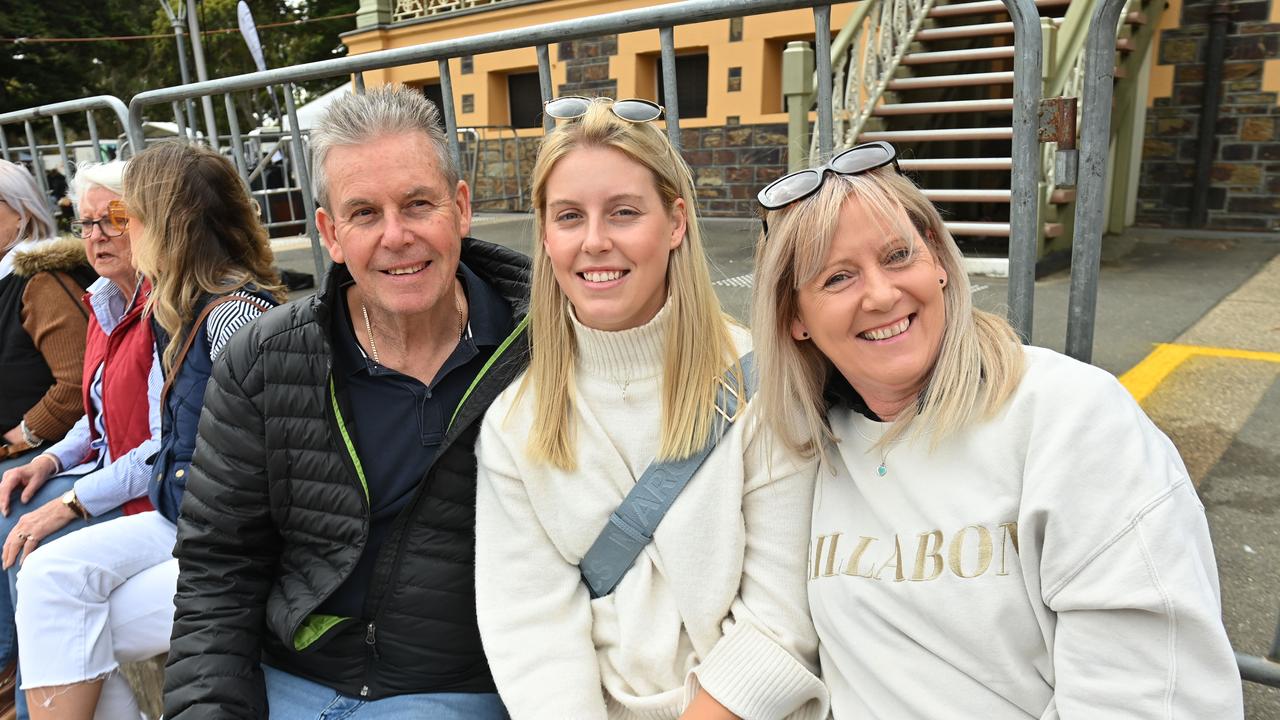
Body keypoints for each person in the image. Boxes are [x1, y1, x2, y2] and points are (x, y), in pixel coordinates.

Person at [749, 141, 1245, 719]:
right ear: (795, 318)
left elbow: (1148, 695)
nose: (882, 295)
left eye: (898, 255)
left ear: (936, 261)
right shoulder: (800, 442)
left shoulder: (1069, 418)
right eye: (837, 278)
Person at [162, 85, 531, 719]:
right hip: (290, 677)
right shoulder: (263, 362)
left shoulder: (546, 350)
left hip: (458, 687)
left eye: (419, 204)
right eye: (364, 213)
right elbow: (219, 565)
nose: (396, 236)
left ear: (461, 210)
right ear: (331, 234)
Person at [473, 97, 827, 720]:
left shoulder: (764, 386)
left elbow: (781, 617)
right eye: (569, 217)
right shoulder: (513, 424)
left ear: (676, 223)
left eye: (625, 213)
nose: (595, 242)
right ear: (547, 238)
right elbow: (532, 634)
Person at [14, 141, 284, 720]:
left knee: (66, 624)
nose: (114, 233)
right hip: (181, 513)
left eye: (123, 217)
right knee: (46, 580)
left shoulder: (237, 315)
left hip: (233, 539)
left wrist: (75, 501)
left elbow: (274, 459)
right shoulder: (177, 310)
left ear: (168, 225)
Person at [0, 160, 159, 719]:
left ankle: (18, 697)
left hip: (151, 493)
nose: (97, 234)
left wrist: (63, 493)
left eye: (114, 218)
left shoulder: (166, 306)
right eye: (86, 222)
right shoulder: (103, 299)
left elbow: (159, 447)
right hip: (103, 471)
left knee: (25, 538)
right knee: (12, 504)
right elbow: (91, 417)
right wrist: (46, 460)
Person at [0, 161, 95, 715]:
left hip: (43, 454)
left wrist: (21, 435)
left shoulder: (38, 281)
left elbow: (74, 386)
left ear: (23, 214)